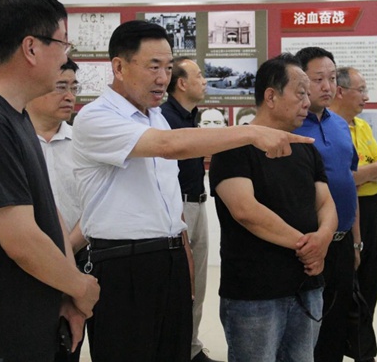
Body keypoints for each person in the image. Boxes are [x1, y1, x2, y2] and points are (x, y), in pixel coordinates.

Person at [71, 20, 313, 361]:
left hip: (169, 259)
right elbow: (168, 146)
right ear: (119, 67)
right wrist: (251, 132)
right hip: (122, 264)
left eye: (168, 67)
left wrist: (183, 254)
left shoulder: (156, 117)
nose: (162, 78)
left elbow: (169, 198)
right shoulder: (96, 117)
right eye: (153, 66)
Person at [0, 0, 99, 361]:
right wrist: (80, 286)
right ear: (31, 48)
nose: (66, 57)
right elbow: (20, 239)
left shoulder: (13, 113)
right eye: (62, 44)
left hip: (32, 323)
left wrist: (65, 290)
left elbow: (46, 210)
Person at [209, 53, 338, 362]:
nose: (307, 102)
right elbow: (245, 210)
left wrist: (322, 240)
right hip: (255, 292)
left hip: (306, 285)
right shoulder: (232, 146)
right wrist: (306, 245)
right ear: (271, 96)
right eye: (300, 93)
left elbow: (326, 202)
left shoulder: (305, 148)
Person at [293, 46, 360, 362]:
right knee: (306, 328)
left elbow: (349, 182)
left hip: (342, 242)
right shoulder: (291, 126)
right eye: (318, 79)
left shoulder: (340, 124)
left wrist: (356, 242)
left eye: (332, 78)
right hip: (308, 243)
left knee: (336, 325)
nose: (327, 86)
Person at [25, 56, 89, 362]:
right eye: (61, 86)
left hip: (79, 258)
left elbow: (95, 204)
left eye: (74, 87)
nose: (69, 96)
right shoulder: (14, 141)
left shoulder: (83, 144)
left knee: (67, 346)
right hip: (25, 260)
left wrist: (68, 250)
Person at [160, 57, 222, 362]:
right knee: (180, 284)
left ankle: (191, 347)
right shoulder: (164, 118)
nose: (204, 81)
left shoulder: (191, 116)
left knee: (198, 282)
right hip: (177, 207)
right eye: (199, 76)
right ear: (182, 83)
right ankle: (176, 348)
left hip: (198, 202)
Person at [330, 66, 377, 362]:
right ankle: (345, 345)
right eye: (361, 90)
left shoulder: (362, 126)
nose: (366, 96)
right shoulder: (329, 127)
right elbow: (345, 179)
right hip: (346, 210)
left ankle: (362, 343)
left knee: (370, 278)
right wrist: (371, 171)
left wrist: (367, 172)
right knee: (346, 282)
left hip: (372, 207)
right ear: (340, 92)